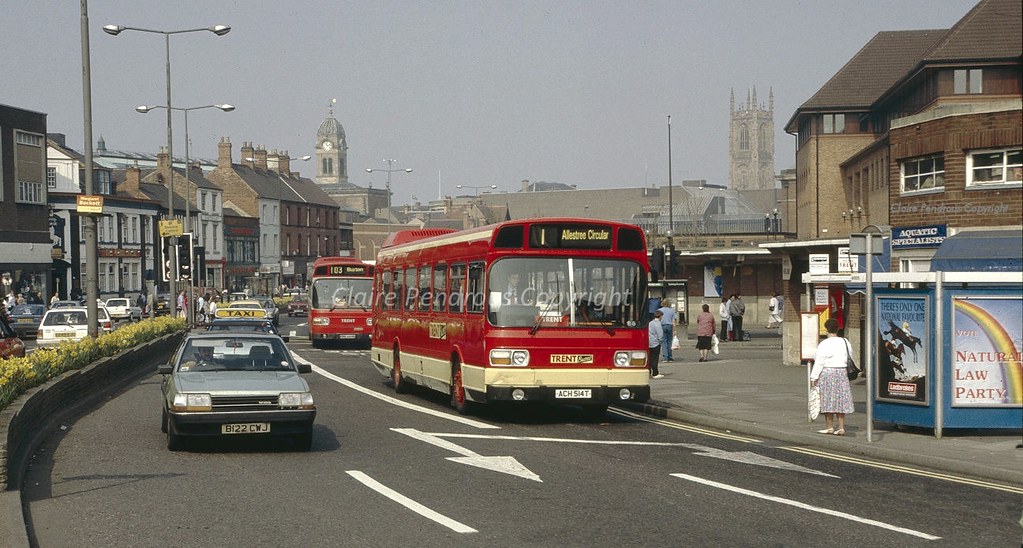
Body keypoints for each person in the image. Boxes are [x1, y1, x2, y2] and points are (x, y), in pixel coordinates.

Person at [810, 318, 855, 435]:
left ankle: (829, 427)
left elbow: (819, 361)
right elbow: (850, 356)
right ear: (838, 329)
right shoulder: (845, 342)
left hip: (827, 373)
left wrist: (813, 377)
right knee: (840, 399)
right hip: (841, 372)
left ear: (826, 329)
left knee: (827, 399)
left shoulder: (824, 344)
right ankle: (841, 427)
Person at [647, 310, 665, 379]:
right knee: (655, 358)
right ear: (660, 316)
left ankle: (649, 372)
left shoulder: (650, 323)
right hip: (655, 343)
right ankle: (655, 372)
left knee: (650, 358)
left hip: (649, 342)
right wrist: (660, 341)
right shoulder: (658, 324)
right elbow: (660, 334)